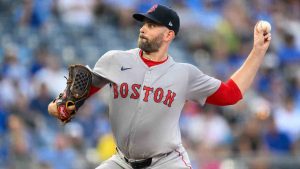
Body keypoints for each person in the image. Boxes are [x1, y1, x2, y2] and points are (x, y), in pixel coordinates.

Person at [48, 4, 271, 169]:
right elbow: (68, 103)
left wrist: (258, 51)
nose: (143, 29)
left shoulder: (184, 74)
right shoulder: (114, 60)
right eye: (144, 23)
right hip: (121, 162)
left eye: (152, 25)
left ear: (169, 34)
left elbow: (230, 94)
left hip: (167, 162)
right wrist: (59, 107)